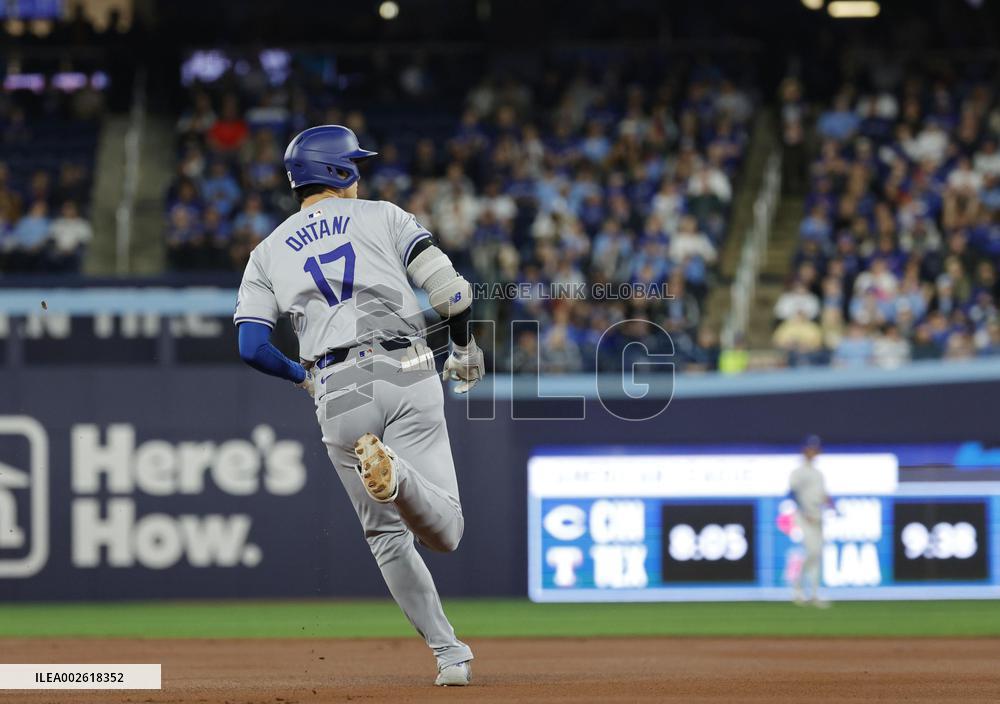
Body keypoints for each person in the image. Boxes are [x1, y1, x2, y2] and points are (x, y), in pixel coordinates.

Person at [233, 125, 483, 686]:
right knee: (446, 534)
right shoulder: (383, 215)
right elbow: (453, 295)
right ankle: (397, 479)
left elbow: (250, 346)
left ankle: (449, 656)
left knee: (385, 536)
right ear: (340, 173)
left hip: (336, 384)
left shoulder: (266, 251)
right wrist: (463, 346)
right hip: (407, 365)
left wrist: (303, 378)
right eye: (355, 165)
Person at [788, 435, 831, 608]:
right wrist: (804, 512)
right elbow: (791, 493)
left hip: (818, 515)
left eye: (815, 449)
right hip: (804, 516)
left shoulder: (818, 473)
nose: (813, 451)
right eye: (810, 448)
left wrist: (830, 502)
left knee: (817, 554)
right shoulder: (798, 472)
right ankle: (797, 587)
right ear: (804, 450)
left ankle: (813, 594)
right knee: (812, 551)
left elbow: (822, 495)